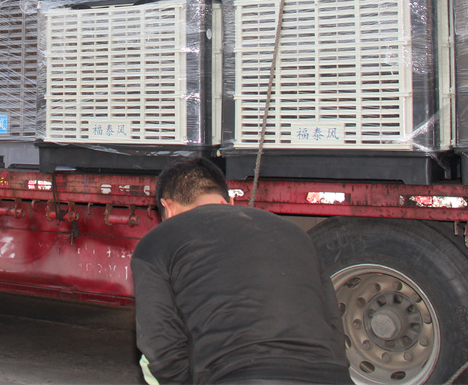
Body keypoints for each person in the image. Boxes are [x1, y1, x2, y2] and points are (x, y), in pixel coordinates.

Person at [131, 156, 351, 384]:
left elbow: (161, 344)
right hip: (332, 377)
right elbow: (333, 323)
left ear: (167, 207)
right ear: (230, 201)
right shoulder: (295, 233)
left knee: (148, 365)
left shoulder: (157, 242)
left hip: (238, 376)